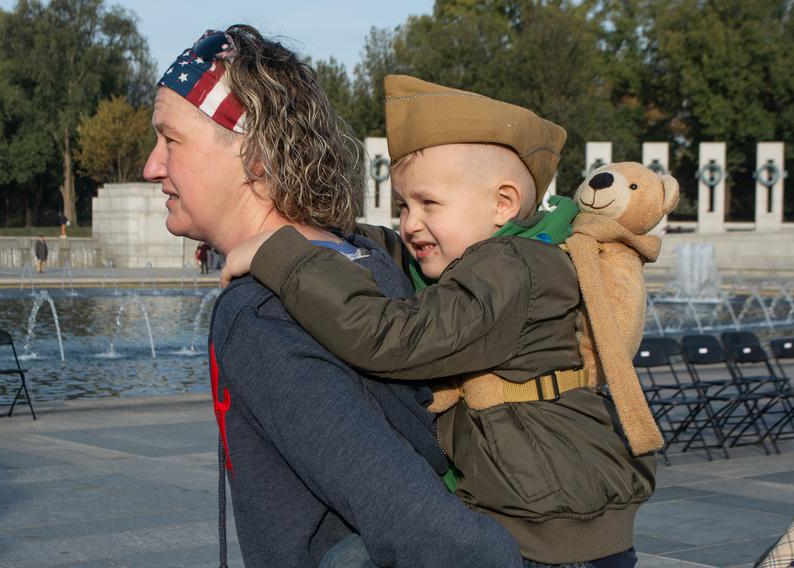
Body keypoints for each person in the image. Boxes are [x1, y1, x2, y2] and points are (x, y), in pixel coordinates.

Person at [221, 76, 657, 566]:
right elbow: (392, 249)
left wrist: (285, 254)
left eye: (429, 204)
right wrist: (319, 231)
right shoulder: (489, 258)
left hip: (555, 539)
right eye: (404, 205)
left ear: (503, 204)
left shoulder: (513, 270)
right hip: (545, 516)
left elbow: (393, 337)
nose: (409, 222)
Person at [143, 26, 522, 568]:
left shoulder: (261, 311)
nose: (151, 166)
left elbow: (435, 535)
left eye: (170, 140)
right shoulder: (360, 258)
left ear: (252, 155)